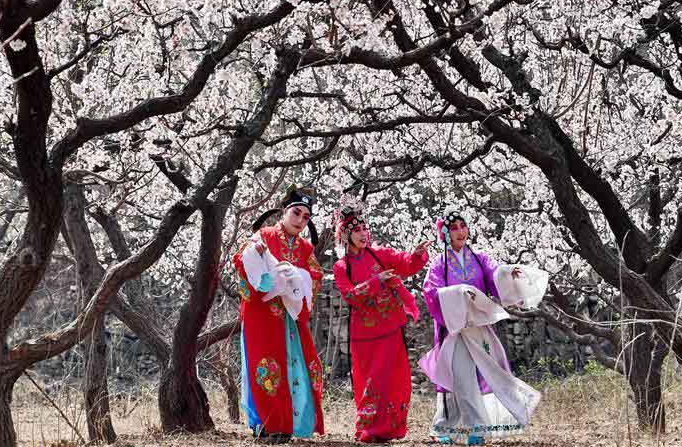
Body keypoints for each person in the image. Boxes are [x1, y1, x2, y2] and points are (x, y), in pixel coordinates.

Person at [419, 210, 548, 445]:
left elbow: (495, 274)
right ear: (445, 234)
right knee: (460, 378)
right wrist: (457, 293)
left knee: (492, 374)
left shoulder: (479, 257)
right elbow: (430, 293)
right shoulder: (439, 264)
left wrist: (509, 273)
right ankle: (457, 427)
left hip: (479, 328)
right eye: (454, 228)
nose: (460, 231)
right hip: (455, 330)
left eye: (462, 226)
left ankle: (477, 426)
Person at [332, 195, 433, 443]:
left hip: (391, 328)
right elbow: (351, 296)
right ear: (345, 234)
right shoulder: (341, 266)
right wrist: (377, 282)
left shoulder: (379, 254)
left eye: (365, 228)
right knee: (371, 381)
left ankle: (389, 429)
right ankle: (368, 430)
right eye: (357, 230)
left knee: (395, 380)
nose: (363, 233)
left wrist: (417, 255)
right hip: (364, 335)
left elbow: (406, 264)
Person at [232, 186, 325, 443]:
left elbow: (316, 276)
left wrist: (299, 278)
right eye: (296, 213)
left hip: (291, 318)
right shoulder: (263, 236)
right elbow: (240, 261)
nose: (300, 220)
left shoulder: (306, 249)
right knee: (265, 367)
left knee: (296, 368)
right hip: (263, 315)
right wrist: (260, 260)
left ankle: (290, 423)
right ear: (284, 212)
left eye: (306, 217)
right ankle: (265, 423)